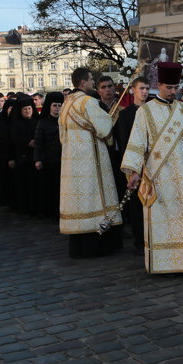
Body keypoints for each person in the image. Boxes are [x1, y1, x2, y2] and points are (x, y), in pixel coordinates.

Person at [121, 62, 183, 274]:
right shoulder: (145, 111)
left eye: (176, 87)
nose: (173, 91)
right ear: (158, 85)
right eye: (169, 87)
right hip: (157, 174)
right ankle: (163, 263)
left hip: (182, 175)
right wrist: (133, 171)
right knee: (161, 219)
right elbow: (137, 142)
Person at [60, 68, 123, 258]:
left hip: (72, 160)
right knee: (96, 196)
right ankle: (99, 245)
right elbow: (104, 130)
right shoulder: (89, 102)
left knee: (79, 200)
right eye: (90, 80)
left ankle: (79, 247)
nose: (93, 83)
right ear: (82, 83)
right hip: (91, 158)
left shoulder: (66, 104)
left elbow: (62, 136)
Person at [113, 76, 150, 249]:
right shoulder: (125, 114)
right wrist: (133, 166)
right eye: (141, 88)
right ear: (133, 90)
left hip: (152, 164)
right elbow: (124, 141)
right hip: (134, 165)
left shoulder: (152, 111)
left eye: (147, 89)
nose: (144, 92)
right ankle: (138, 241)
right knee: (136, 205)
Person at [34, 91, 64, 219]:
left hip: (63, 160)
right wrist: (38, 159)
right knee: (51, 188)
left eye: (59, 105)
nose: (57, 108)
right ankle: (52, 212)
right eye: (54, 105)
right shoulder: (43, 122)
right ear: (50, 107)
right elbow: (38, 142)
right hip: (49, 160)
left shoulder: (65, 122)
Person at [7, 98, 39, 215]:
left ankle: (35, 208)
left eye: (29, 108)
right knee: (23, 185)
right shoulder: (16, 124)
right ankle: (24, 208)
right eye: (25, 109)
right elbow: (13, 140)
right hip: (22, 158)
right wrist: (27, 143)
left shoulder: (37, 121)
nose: (27, 111)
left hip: (35, 157)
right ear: (20, 111)